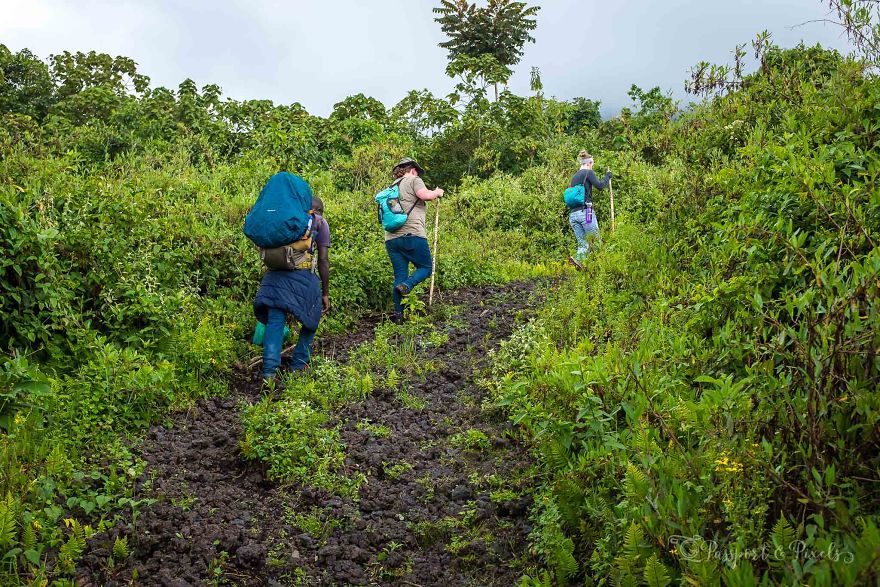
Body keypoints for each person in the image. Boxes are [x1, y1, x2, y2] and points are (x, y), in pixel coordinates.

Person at [253, 195, 331, 381]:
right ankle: (298, 366)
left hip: (274, 277)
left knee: (275, 321)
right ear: (319, 210)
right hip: (303, 278)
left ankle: (269, 372)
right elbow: (323, 260)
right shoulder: (319, 222)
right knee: (311, 320)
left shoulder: (284, 219)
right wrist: (325, 293)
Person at [383, 157, 443, 323]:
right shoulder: (414, 179)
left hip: (391, 239)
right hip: (412, 235)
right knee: (425, 267)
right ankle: (407, 286)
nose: (417, 173)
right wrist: (437, 193)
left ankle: (399, 317)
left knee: (400, 275)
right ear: (412, 169)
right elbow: (425, 195)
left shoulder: (391, 187)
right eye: (417, 170)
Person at [567, 150, 612, 268]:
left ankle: (578, 262)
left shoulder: (574, 176)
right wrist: (608, 176)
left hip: (573, 215)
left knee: (583, 244)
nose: (592, 166)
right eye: (592, 164)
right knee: (596, 241)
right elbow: (601, 186)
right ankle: (601, 269)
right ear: (589, 163)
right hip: (586, 213)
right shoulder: (588, 172)